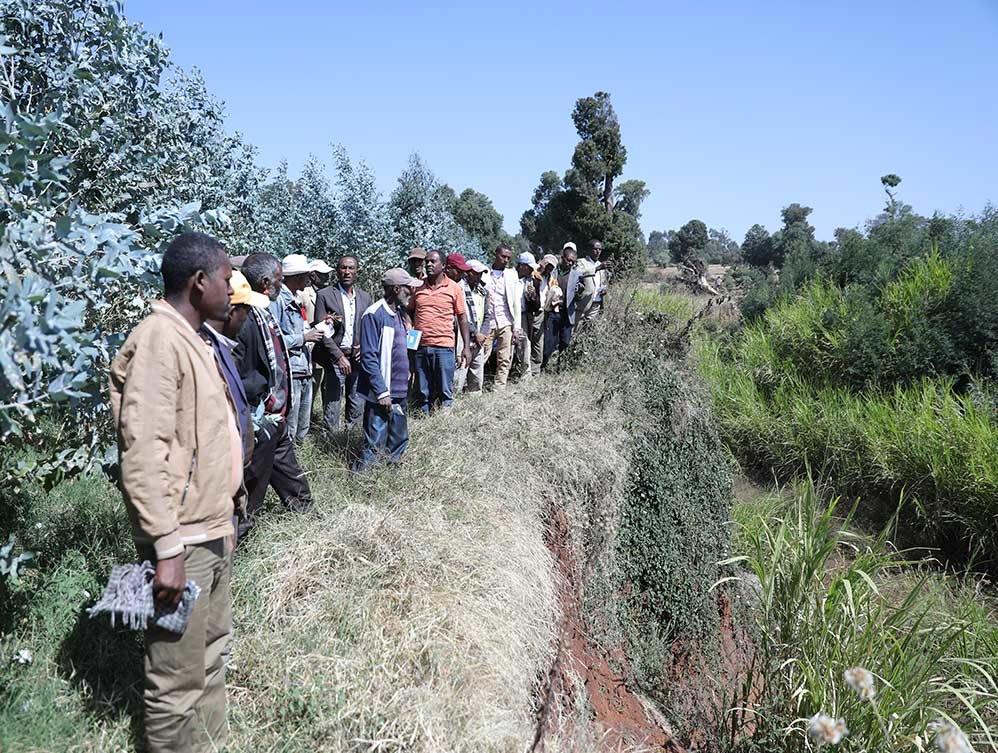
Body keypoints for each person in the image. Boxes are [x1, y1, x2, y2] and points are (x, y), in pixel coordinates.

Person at [108, 232, 239, 753]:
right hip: (182, 540)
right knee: (174, 681)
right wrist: (166, 547)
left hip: (211, 529)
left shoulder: (193, 337)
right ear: (200, 281)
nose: (233, 291)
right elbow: (143, 451)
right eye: (228, 280)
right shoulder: (160, 340)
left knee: (209, 657)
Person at [234, 253, 313, 539]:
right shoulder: (242, 318)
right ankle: (237, 540)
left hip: (275, 417)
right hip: (259, 418)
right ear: (267, 283)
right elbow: (239, 374)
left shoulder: (263, 312)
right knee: (252, 485)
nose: (283, 284)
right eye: (280, 279)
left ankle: (309, 520)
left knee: (290, 474)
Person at [353, 268, 423, 471]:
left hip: (400, 391)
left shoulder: (401, 315)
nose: (412, 291)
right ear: (396, 288)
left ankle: (391, 476)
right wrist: (382, 391)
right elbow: (369, 358)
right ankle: (364, 480)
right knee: (374, 441)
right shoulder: (374, 315)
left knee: (398, 439)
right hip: (382, 393)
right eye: (408, 288)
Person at [313, 255, 371, 433]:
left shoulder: (365, 297)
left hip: (357, 360)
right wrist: (338, 357)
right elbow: (321, 330)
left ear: (357, 271)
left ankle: (350, 442)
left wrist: (363, 346)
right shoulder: (324, 295)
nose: (347, 272)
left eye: (351, 268)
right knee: (333, 403)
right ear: (337, 271)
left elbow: (368, 326)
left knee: (357, 403)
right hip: (334, 359)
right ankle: (329, 442)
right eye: (343, 268)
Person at [410, 249, 471, 413]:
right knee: (423, 391)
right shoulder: (418, 287)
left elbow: (462, 318)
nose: (428, 264)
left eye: (433, 261)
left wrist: (466, 347)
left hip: (444, 347)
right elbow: (409, 313)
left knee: (445, 390)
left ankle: (444, 421)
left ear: (443, 265)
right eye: (427, 261)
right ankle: (423, 419)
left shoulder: (454, 288)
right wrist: (410, 342)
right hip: (421, 347)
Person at [271, 254, 323, 444]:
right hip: (291, 371)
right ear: (297, 276)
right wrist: (304, 338)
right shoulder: (278, 301)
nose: (309, 279)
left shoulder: (293, 299)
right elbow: (274, 339)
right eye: (305, 275)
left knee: (302, 426)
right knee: (290, 427)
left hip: (303, 369)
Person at [482, 244, 523, 390]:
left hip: (506, 321)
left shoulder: (512, 275)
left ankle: (499, 388)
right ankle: (475, 386)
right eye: (503, 256)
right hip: (489, 323)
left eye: (508, 258)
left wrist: (516, 328)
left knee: (504, 358)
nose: (506, 260)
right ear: (495, 254)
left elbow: (516, 302)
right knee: (482, 356)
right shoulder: (485, 274)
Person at [454, 259, 491, 393]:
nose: (478, 277)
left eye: (480, 274)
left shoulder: (482, 291)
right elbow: (460, 317)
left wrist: (482, 334)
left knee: (476, 377)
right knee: (459, 375)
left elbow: (487, 315)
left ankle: (475, 402)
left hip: (478, 340)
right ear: (467, 273)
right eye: (475, 273)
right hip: (462, 339)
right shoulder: (458, 288)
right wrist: (475, 333)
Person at [548, 242, 581, 364]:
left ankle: (561, 367)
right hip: (553, 312)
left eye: (573, 261)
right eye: (568, 260)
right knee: (549, 344)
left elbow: (578, 296)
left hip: (567, 313)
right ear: (562, 258)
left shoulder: (577, 275)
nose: (571, 263)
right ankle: (543, 365)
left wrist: (579, 293)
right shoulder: (553, 272)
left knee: (565, 343)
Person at [514, 251, 544, 379]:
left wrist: (533, 296)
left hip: (523, 316)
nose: (532, 269)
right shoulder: (510, 277)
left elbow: (536, 304)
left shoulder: (531, 281)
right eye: (530, 266)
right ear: (522, 266)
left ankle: (525, 375)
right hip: (507, 315)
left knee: (524, 344)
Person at [538, 254, 563, 371]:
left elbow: (555, 290)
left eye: (551, 267)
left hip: (546, 312)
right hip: (534, 311)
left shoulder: (551, 279)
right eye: (548, 265)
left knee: (542, 340)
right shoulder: (535, 274)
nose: (549, 269)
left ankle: (539, 366)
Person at [574, 239, 606, 322]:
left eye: (600, 249)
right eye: (595, 249)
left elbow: (602, 282)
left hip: (596, 302)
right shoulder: (581, 262)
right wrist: (596, 269)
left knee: (590, 328)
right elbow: (578, 273)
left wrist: (603, 289)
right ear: (589, 250)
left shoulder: (600, 264)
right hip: (583, 302)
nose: (598, 252)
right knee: (577, 327)